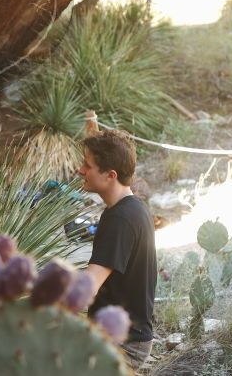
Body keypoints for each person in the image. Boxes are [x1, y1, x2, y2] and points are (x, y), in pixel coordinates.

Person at [80, 129, 156, 371]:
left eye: (87, 165)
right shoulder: (133, 207)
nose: (80, 170)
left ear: (110, 175)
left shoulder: (121, 219)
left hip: (124, 345)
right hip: (123, 335)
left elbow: (88, 287)